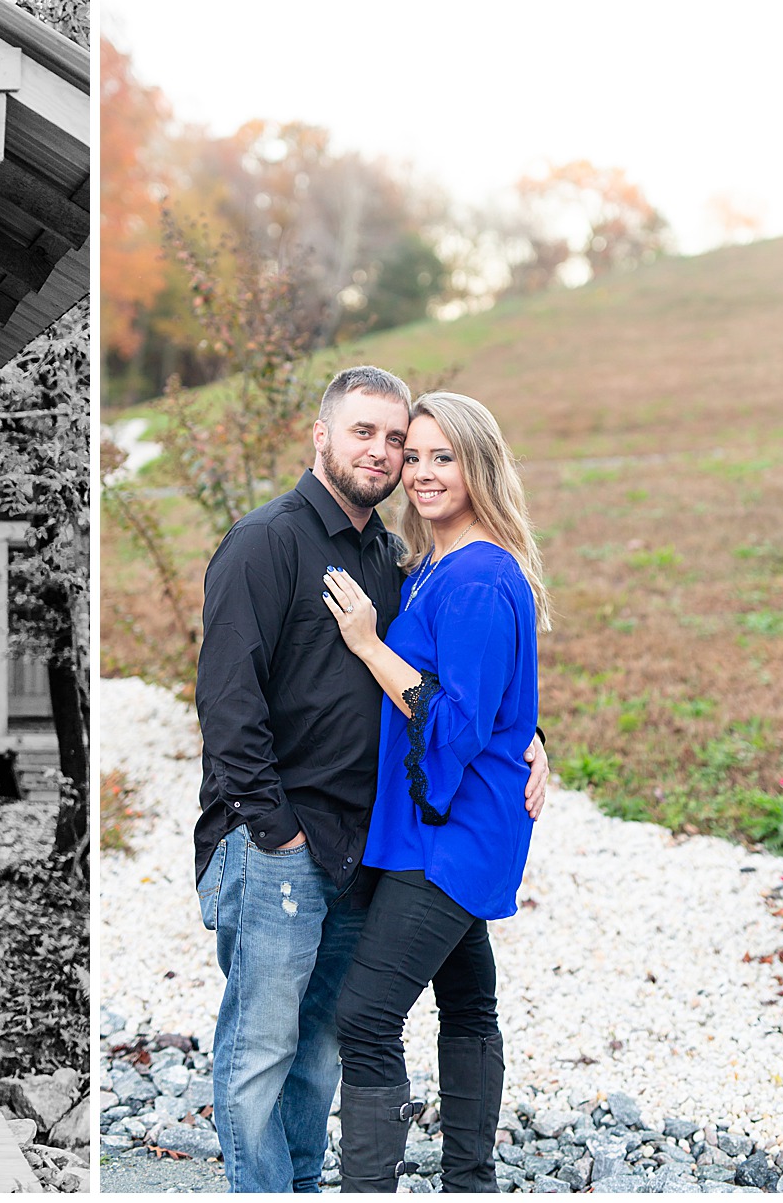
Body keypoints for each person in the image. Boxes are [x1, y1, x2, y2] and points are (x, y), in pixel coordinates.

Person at [193, 366, 549, 1193]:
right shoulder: (267, 541)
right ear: (321, 434)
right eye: (374, 435)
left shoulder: (395, 558)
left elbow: (463, 684)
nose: (393, 458)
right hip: (284, 838)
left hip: (367, 844)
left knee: (325, 1038)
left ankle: (321, 1184)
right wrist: (271, 825)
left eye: (412, 446)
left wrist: (530, 736)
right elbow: (225, 696)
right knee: (264, 1046)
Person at [321, 391, 552, 1192]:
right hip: (432, 822)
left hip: (454, 830)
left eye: (440, 457)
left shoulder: (481, 577)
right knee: (468, 1001)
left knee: (366, 1014)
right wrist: (535, 740)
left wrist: (365, 644)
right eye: (412, 456)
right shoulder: (437, 567)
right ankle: (470, 1183)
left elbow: (455, 722)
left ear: (478, 464)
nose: (419, 472)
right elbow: (501, 707)